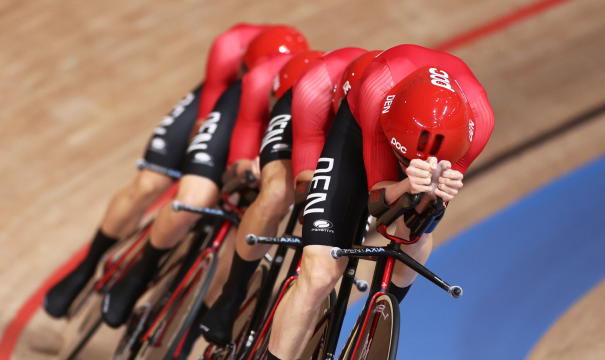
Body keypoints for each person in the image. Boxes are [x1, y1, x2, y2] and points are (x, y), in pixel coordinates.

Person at [266, 44, 495, 360]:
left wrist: (431, 192)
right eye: (401, 158)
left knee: (413, 233)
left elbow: (405, 228)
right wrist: (404, 182)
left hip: (429, 146)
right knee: (319, 273)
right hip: (362, 128)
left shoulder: (478, 124)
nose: (403, 163)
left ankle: (375, 318)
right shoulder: (377, 89)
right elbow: (377, 204)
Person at [43, 23, 270, 319]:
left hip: (264, 120)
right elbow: (205, 122)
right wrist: (201, 161)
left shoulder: (284, 95)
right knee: (149, 184)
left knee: (243, 226)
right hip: (218, 105)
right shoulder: (230, 47)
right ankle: (87, 265)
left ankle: (189, 320)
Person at [100, 25, 311, 328]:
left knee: (248, 235)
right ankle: (139, 274)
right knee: (193, 200)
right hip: (239, 120)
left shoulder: (315, 111)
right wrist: (240, 167)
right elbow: (242, 146)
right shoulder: (255, 80)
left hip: (293, 132)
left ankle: (190, 327)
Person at [199, 47, 371, 346]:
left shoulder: (384, 113)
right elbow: (306, 170)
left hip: (356, 143)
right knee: (279, 193)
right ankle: (232, 295)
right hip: (306, 124)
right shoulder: (315, 85)